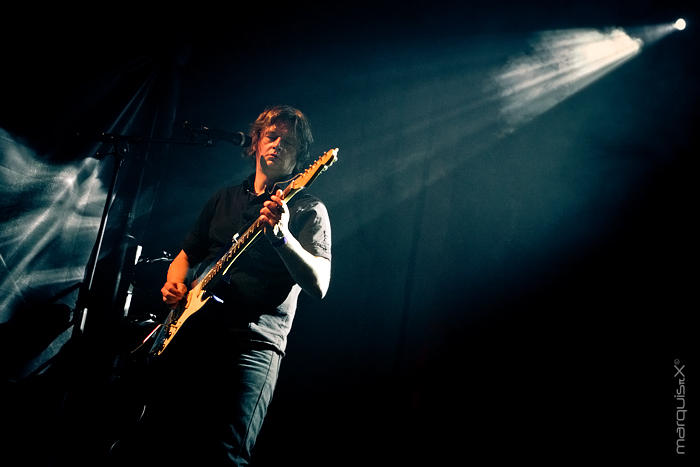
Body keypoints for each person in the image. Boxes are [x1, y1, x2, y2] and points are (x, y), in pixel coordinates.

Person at [118, 105, 331, 466]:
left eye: (289, 142)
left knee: (224, 456)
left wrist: (283, 239)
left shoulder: (309, 207)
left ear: (303, 157)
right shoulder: (225, 198)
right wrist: (174, 285)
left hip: (253, 346)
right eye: (272, 136)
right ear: (256, 141)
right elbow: (185, 256)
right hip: (194, 332)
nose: (278, 145)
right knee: (157, 438)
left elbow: (320, 284)